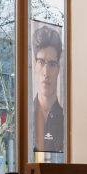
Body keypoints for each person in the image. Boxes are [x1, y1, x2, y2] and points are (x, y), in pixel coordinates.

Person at [32, 24, 65, 154]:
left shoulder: (66, 120)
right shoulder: (26, 117)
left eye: (52, 64)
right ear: (35, 65)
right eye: (41, 62)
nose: (46, 72)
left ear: (58, 69)